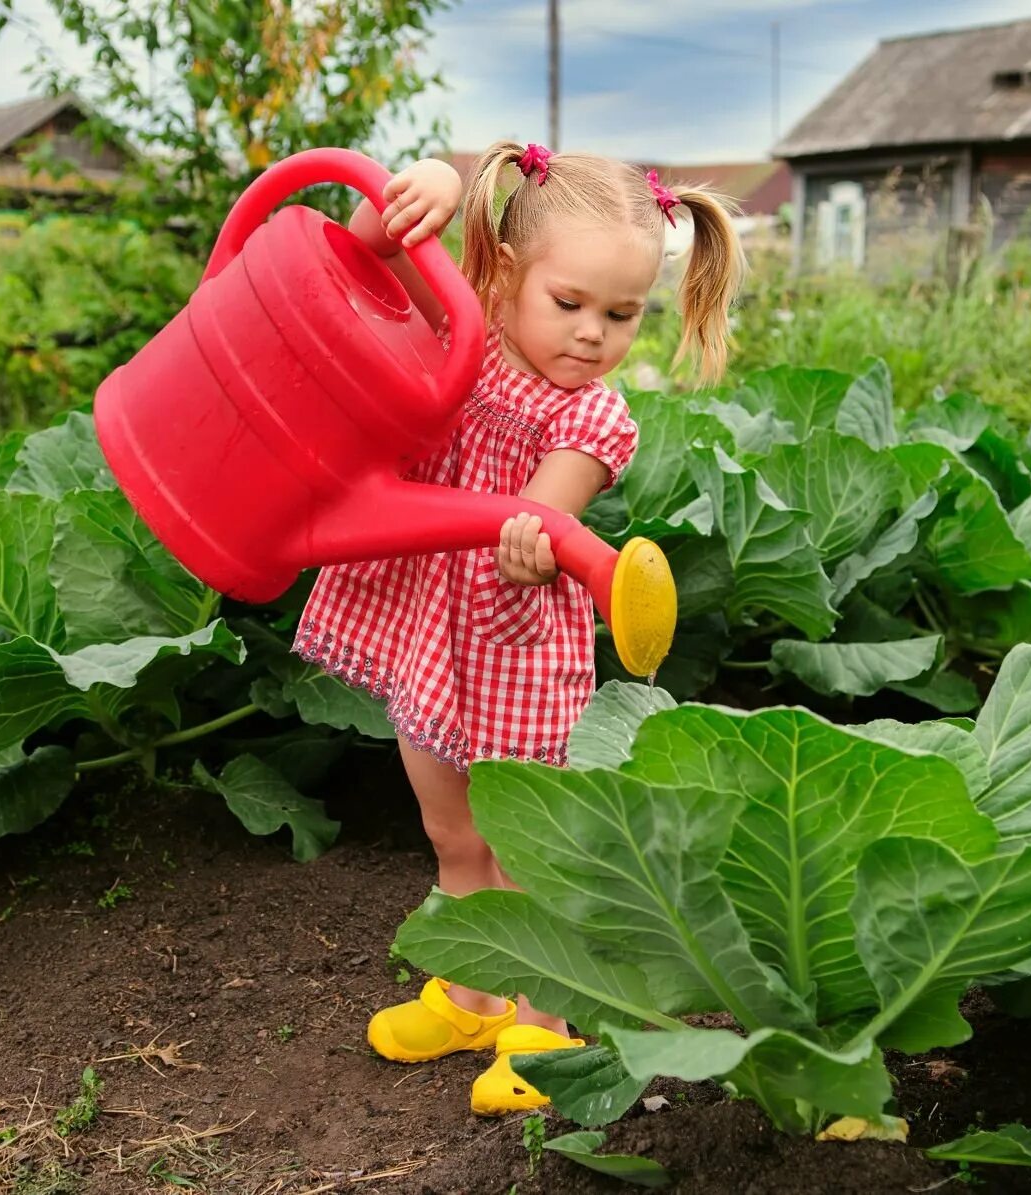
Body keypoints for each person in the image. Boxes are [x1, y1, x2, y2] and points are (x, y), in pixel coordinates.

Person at [294, 140, 745, 1116]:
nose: (592, 335)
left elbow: (539, 513)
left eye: (620, 315)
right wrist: (424, 194)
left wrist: (534, 535)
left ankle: (543, 1026)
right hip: (430, 629)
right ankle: (469, 996)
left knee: (526, 847)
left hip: (511, 649)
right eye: (570, 303)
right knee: (452, 833)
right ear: (504, 273)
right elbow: (361, 257)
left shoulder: (598, 415)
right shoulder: (467, 323)